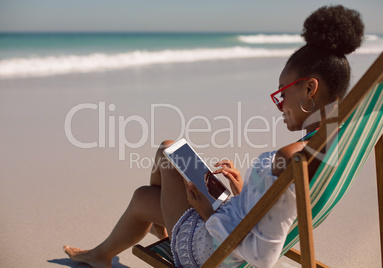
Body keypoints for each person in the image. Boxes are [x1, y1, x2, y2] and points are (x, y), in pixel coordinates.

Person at [64, 5, 364, 268]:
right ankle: (106, 252)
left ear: (310, 88)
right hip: (232, 223)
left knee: (170, 150)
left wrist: (208, 213)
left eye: (282, 94)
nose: (280, 105)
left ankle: (155, 226)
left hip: (210, 250)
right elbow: (276, 212)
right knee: (145, 194)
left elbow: (262, 256)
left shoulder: (292, 156)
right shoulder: (341, 139)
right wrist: (245, 192)